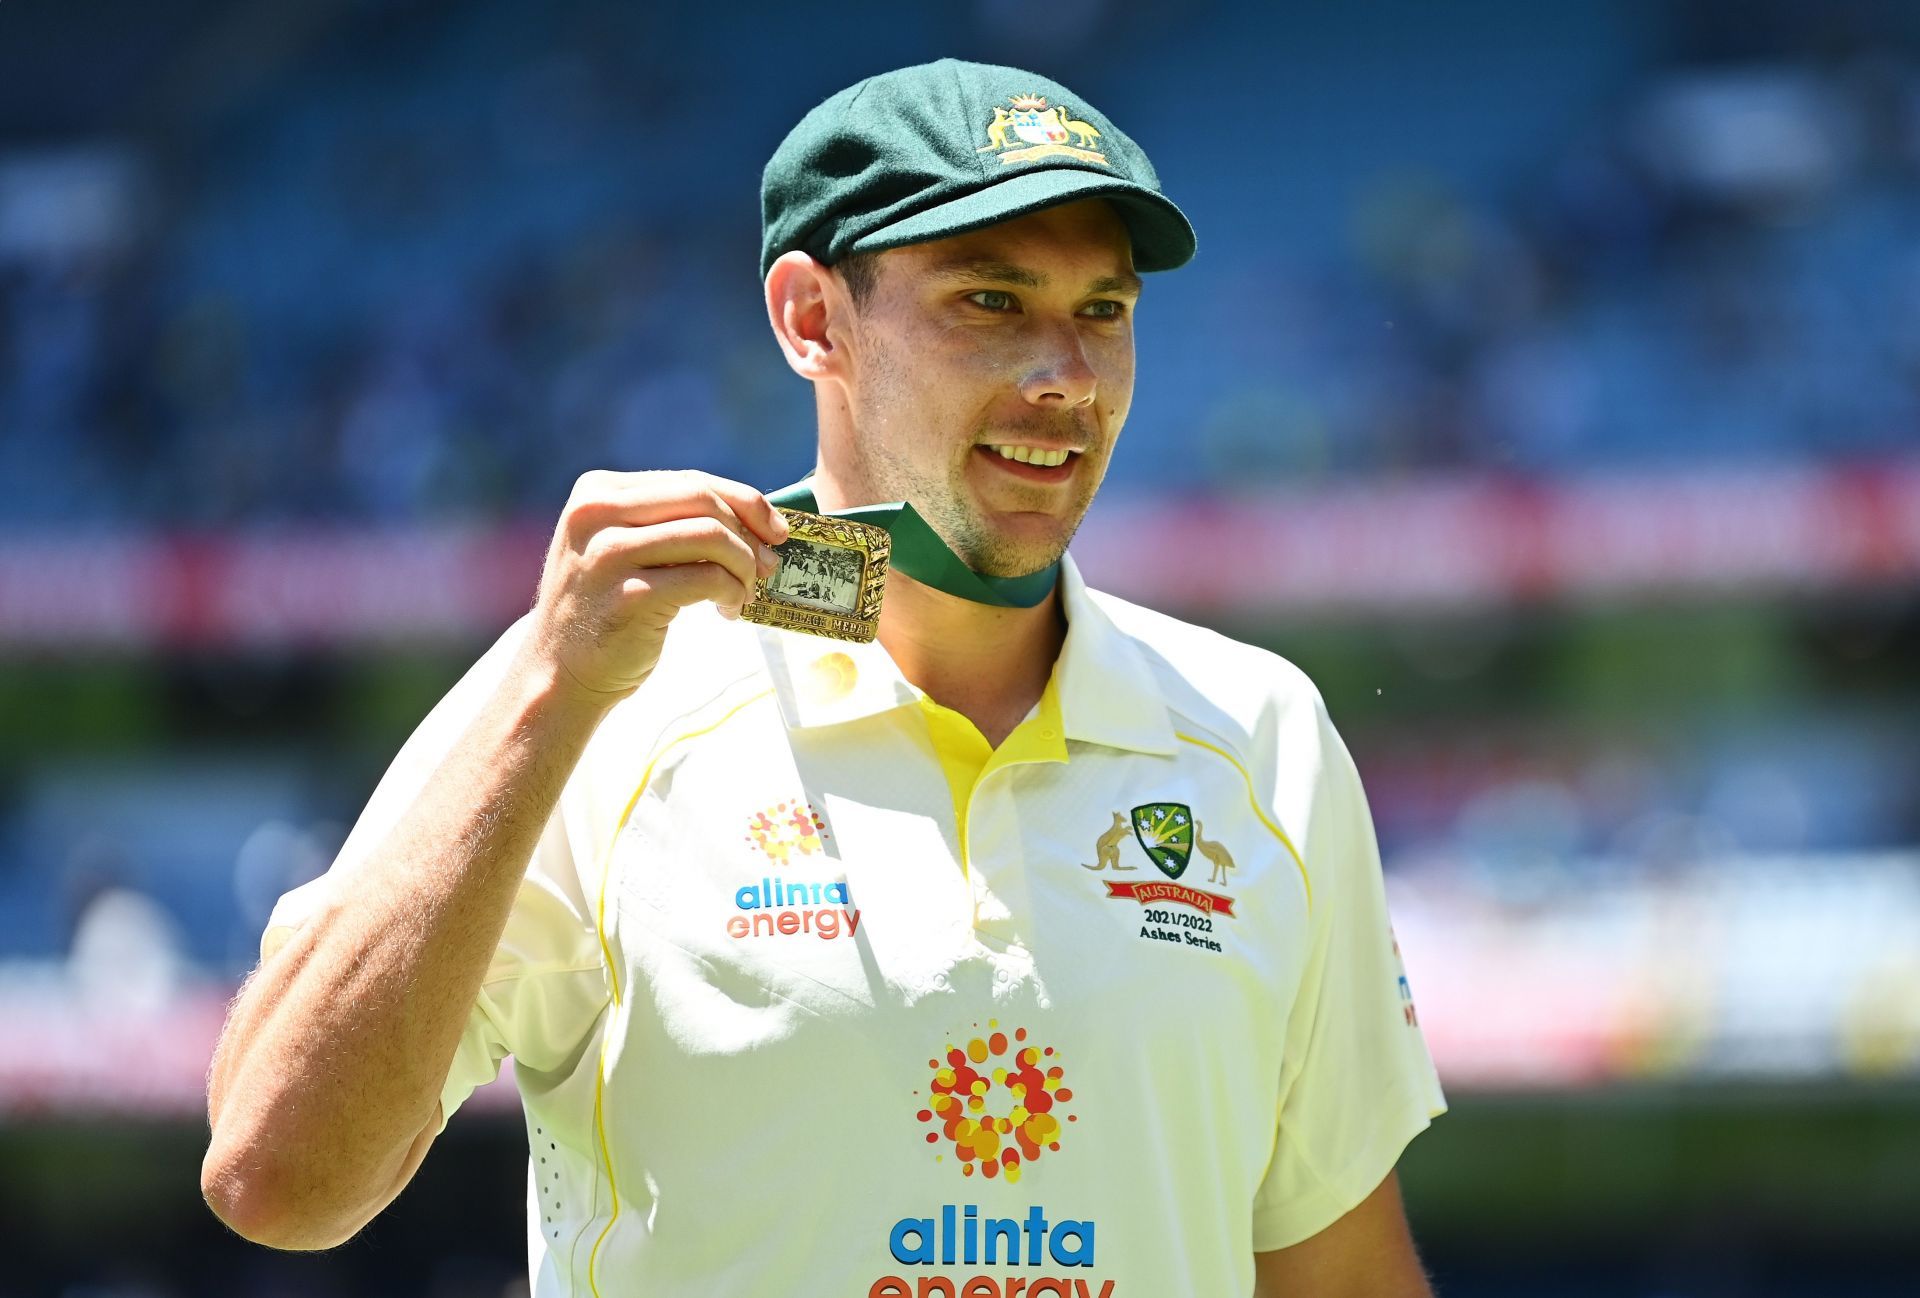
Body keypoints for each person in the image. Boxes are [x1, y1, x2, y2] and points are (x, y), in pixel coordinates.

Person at [202, 58, 1447, 1297]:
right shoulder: (593, 695)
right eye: (991, 302)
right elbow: (279, 1179)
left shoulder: (1260, 729)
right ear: (812, 319)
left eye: (1104, 310)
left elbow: (1341, 1275)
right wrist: (551, 687)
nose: (1064, 371)